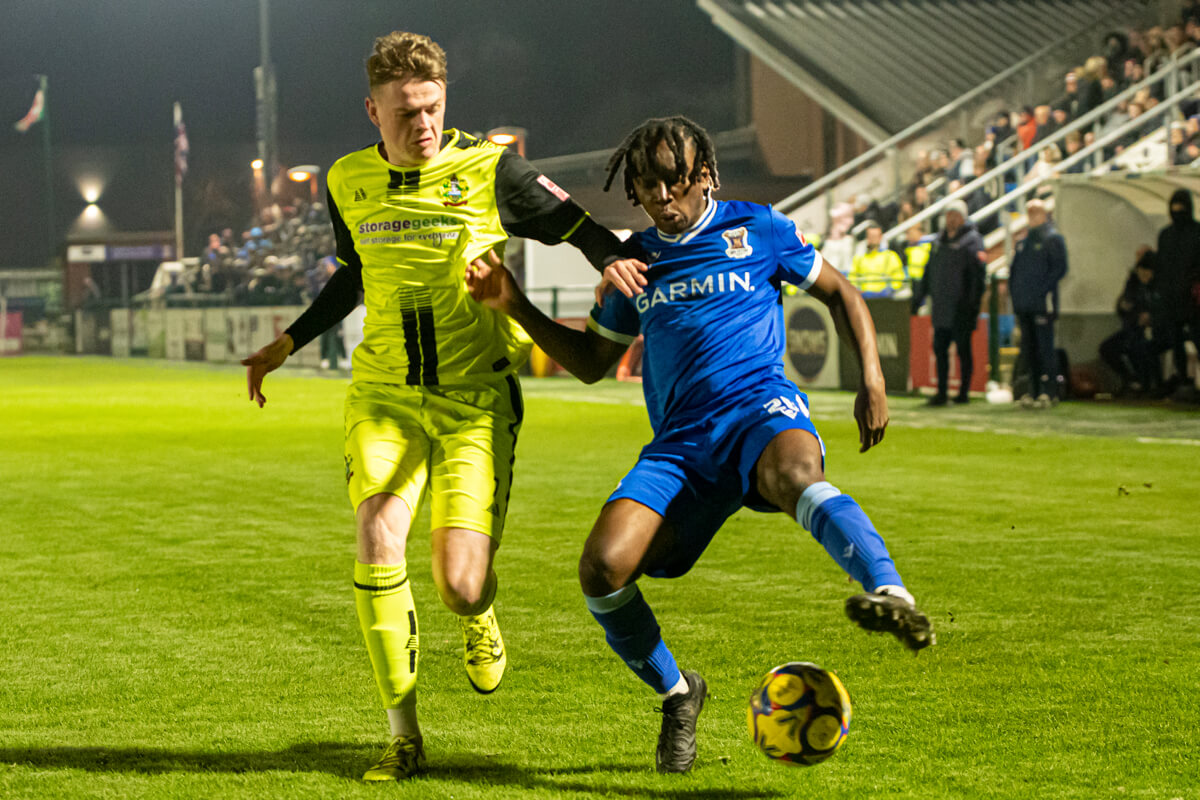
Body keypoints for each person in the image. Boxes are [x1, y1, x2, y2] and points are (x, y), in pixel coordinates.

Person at [465, 116, 935, 775]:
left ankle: (891, 595)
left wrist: (874, 380)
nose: (660, 196)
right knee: (602, 570)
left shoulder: (762, 228)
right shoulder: (635, 262)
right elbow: (593, 360)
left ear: (704, 176)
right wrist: (512, 303)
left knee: (796, 473)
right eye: (645, 185)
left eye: (672, 181)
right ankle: (679, 693)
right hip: (680, 445)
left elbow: (843, 293)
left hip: (758, 411)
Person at [239, 31, 645, 782]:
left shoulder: (492, 170)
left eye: (432, 108)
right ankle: (403, 737)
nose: (422, 124)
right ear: (372, 111)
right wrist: (286, 344)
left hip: (475, 402)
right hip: (385, 395)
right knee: (374, 528)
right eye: (404, 113)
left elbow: (582, 227)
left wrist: (610, 257)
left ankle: (480, 611)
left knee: (459, 587)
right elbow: (352, 274)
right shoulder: (346, 180)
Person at [913, 200, 986, 405]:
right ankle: (942, 392)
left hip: (962, 308)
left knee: (963, 350)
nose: (951, 220)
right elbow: (928, 271)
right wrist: (920, 296)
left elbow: (978, 276)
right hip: (941, 307)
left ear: (963, 218)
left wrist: (972, 304)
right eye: (949, 215)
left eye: (955, 215)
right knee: (940, 350)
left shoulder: (972, 240)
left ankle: (963, 392)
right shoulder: (938, 242)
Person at [1009, 199, 1069, 408]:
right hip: (1025, 304)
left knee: (1045, 347)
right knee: (1029, 348)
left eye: (1036, 212)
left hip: (1043, 304)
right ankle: (1033, 391)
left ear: (1045, 214)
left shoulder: (1052, 239)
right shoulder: (1023, 242)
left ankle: (1049, 391)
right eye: (1029, 212)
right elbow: (1015, 272)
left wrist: (1042, 291)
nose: (1032, 216)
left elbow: (1060, 268)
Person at [1153, 189, 1200, 396]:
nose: (1177, 211)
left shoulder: (1195, 232)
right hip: (1172, 300)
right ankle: (1184, 381)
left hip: (1193, 300)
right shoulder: (1166, 235)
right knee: (1176, 342)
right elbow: (1162, 267)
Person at [1099, 248, 1165, 394]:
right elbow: (1124, 303)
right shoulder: (1133, 281)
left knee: (1140, 345)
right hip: (1132, 327)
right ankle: (1131, 380)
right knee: (1107, 347)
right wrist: (1123, 306)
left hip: (1148, 329)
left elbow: (1161, 308)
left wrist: (1149, 317)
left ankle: (1149, 385)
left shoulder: (1159, 284)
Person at [851, 221, 906, 296]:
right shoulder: (859, 257)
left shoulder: (890, 256)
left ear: (880, 237)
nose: (873, 239)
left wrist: (891, 288)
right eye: (870, 236)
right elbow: (853, 276)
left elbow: (898, 276)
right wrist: (857, 289)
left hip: (884, 298)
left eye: (875, 236)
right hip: (864, 297)